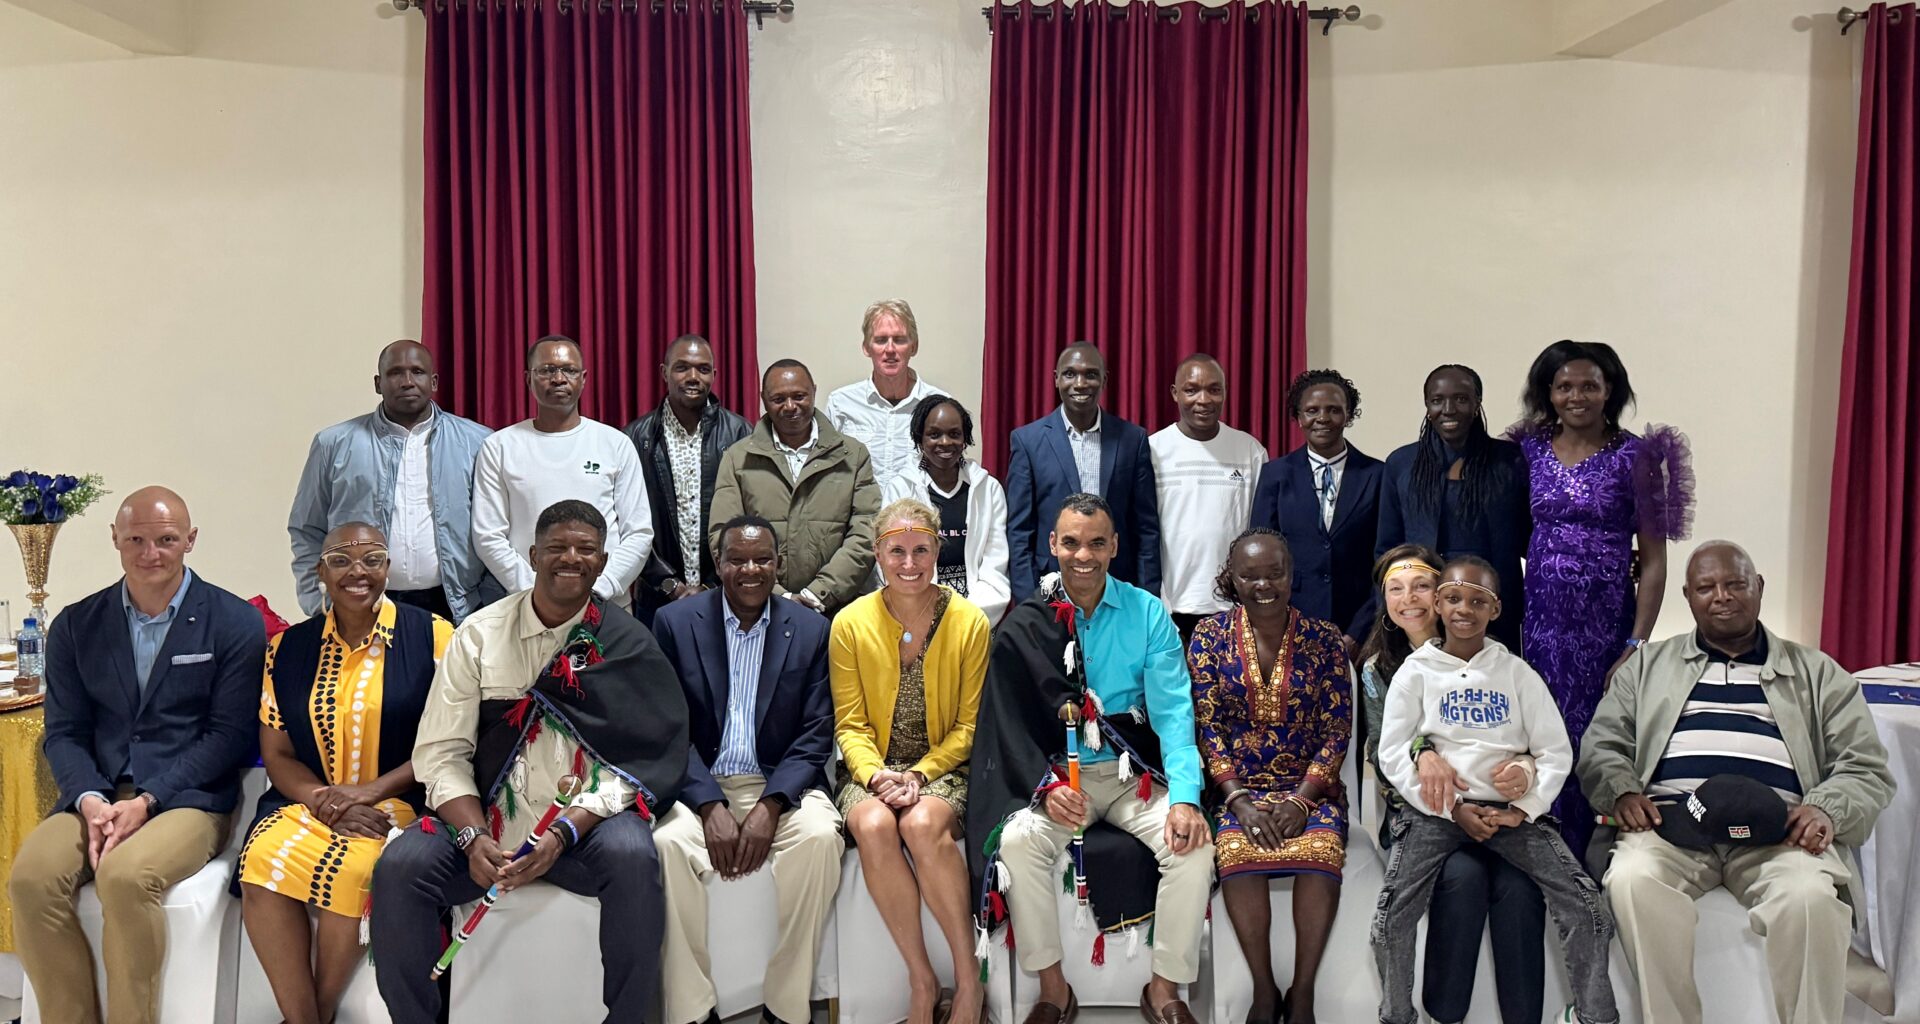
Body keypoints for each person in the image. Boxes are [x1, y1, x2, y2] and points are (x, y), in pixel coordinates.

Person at [371, 500, 691, 1024]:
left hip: (578, 832)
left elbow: (640, 759)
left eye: (586, 549)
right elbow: (441, 754)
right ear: (532, 554)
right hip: (486, 833)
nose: (571, 558)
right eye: (558, 547)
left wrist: (568, 830)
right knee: (402, 867)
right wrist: (473, 838)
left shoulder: (626, 642)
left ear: (604, 561)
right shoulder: (478, 633)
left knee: (634, 855)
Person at [1579, 541, 1894, 1024]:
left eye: (1735, 584)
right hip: (1671, 829)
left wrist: (1827, 808)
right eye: (1706, 587)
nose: (1721, 596)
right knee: (1633, 881)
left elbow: (1865, 765)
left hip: (1780, 835)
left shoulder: (1817, 673)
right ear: (1688, 596)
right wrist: (1621, 789)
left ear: (1759, 587)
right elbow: (1602, 746)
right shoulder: (1645, 668)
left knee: (1810, 899)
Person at [10, 487, 266, 1024]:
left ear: (190, 540)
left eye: (166, 539)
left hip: (187, 799)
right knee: (30, 879)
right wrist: (88, 801)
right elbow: (65, 732)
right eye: (136, 540)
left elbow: (225, 735)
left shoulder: (234, 621)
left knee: (125, 878)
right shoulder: (77, 625)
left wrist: (148, 800)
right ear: (116, 541)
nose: (151, 552)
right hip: (98, 793)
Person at [977, 493, 1210, 1024]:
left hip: (1135, 777)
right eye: (1073, 543)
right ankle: (1054, 991)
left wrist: (1187, 799)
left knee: (1192, 848)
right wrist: (1047, 785)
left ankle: (1165, 989)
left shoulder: (1147, 612)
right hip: (1061, 777)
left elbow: (1174, 713)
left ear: (1115, 547)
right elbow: (1008, 720)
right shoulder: (1029, 622)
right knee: (1016, 842)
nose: (1084, 555)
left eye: (1097, 543)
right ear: (1053, 545)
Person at [1372, 557, 1618, 1024]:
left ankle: (1595, 1016)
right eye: (1454, 598)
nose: (1465, 609)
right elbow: (1392, 755)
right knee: (1391, 919)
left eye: (1478, 601)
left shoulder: (1517, 674)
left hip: (1510, 815)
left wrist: (1524, 806)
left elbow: (1555, 752)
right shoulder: (1415, 673)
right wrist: (1453, 809)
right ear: (1439, 604)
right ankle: (1397, 1016)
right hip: (1437, 815)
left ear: (1496, 609)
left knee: (1587, 907)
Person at [237, 522, 453, 1024]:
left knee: (358, 870)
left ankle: (320, 1012)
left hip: (398, 800)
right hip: (307, 801)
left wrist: (369, 792)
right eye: (341, 560)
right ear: (320, 571)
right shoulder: (287, 648)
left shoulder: (434, 636)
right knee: (260, 866)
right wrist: (322, 800)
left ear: (388, 567)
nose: (358, 572)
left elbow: (449, 741)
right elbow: (278, 751)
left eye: (372, 559)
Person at [653, 516, 842, 1024]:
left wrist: (770, 806)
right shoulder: (675, 623)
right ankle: (692, 1009)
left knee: (822, 837)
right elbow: (668, 728)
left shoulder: (810, 628)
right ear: (719, 564)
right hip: (699, 782)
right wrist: (709, 804)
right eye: (738, 559)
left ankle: (785, 1004)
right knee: (667, 845)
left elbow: (816, 733)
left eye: (762, 559)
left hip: (779, 783)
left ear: (778, 564)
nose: (751, 569)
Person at [1511, 340, 1693, 855]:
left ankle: (1591, 855)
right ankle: (1543, 848)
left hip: (1604, 626)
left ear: (1609, 390)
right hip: (1540, 623)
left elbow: (1654, 559)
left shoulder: (1637, 457)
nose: (1577, 396)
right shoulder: (1528, 449)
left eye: (1589, 385)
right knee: (1541, 731)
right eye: (1564, 385)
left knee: (1594, 735)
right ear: (1548, 391)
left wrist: (1635, 645)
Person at [1355, 546, 1547, 1024]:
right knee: (1464, 876)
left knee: (1520, 885)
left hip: (1498, 805)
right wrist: (1427, 757)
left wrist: (1519, 774)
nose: (1410, 599)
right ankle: (1445, 1012)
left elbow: (1521, 738)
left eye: (1422, 585)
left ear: (1442, 596)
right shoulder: (1379, 668)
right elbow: (1386, 755)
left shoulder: (1489, 653)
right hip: (1419, 812)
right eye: (1395, 590)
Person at [830, 498, 991, 1024]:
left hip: (944, 769)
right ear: (878, 554)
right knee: (874, 824)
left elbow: (970, 726)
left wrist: (920, 774)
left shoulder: (969, 622)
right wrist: (877, 774)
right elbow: (850, 725)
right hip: (871, 769)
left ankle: (969, 983)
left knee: (922, 823)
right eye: (896, 550)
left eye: (921, 549)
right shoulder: (850, 623)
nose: (909, 563)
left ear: (937, 550)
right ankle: (922, 980)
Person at [1189, 529, 1350, 1024]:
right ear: (1232, 579)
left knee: (1321, 853)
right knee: (1236, 851)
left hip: (1311, 790)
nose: (1264, 584)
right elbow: (1206, 725)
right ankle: (1264, 989)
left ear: (1291, 573)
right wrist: (1237, 801)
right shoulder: (1208, 637)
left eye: (1274, 573)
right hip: (1238, 792)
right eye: (1250, 575)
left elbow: (1337, 727)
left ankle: (1302, 993)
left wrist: (1302, 800)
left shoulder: (1324, 638)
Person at [289, 340, 497, 623]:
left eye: (418, 372)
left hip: (457, 608)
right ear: (378, 383)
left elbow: (496, 529)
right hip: (364, 606)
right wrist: (320, 600)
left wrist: (488, 604)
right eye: (396, 373)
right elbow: (307, 528)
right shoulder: (333, 444)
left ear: (434, 381)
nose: (407, 382)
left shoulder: (479, 442)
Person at [472, 334, 654, 609]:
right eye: (546, 370)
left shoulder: (615, 443)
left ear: (583, 378)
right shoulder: (499, 446)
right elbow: (488, 535)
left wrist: (602, 589)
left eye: (568, 370)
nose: (558, 378)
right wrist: (534, 591)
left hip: (606, 604)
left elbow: (639, 532)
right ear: (528, 378)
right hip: (527, 604)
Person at [709, 359, 881, 616]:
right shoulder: (738, 458)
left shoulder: (852, 455)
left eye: (799, 396)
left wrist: (818, 593)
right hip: (758, 609)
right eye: (778, 399)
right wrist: (780, 597)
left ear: (813, 391)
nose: (790, 407)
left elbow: (867, 533)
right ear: (763, 400)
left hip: (837, 609)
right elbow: (723, 538)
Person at [1376, 364, 1530, 649]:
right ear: (1427, 405)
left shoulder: (1509, 462)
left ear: (1476, 403)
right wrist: (1389, 606)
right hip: (1423, 607)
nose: (1448, 409)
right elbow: (1387, 547)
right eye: (1437, 400)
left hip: (1492, 604)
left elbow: (1529, 539)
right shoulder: (1402, 464)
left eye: (1460, 399)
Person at [1006, 341, 1161, 602]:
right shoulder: (1028, 441)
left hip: (1117, 586)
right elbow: (1019, 531)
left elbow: (1146, 528)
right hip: (1051, 589)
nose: (1080, 383)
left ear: (1104, 380)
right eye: (1070, 374)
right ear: (1056, 380)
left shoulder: (1132, 440)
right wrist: (1028, 601)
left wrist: (1147, 599)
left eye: (1090, 374)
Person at [623, 334, 753, 624]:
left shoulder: (741, 434)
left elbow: (750, 515)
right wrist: (669, 584)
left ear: (714, 375)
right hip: (657, 599)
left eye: (703, 369)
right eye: (682, 367)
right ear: (664, 372)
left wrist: (711, 584)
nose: (693, 377)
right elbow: (626, 522)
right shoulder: (635, 439)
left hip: (727, 596)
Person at [1251, 368, 1383, 651]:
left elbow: (1385, 561)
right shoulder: (1275, 475)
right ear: (1298, 417)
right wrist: (1283, 624)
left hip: (1357, 629)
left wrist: (1357, 634)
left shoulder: (1378, 475)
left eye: (1334, 410)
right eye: (1312, 410)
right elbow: (1263, 559)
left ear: (1349, 415)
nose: (1322, 418)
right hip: (1290, 627)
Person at [1149, 355, 1267, 645]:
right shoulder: (1153, 450)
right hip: (1169, 609)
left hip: (1234, 608)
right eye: (1191, 390)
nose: (1203, 399)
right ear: (1175, 393)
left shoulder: (1249, 451)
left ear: (1225, 392)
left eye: (1214, 389)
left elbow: (1262, 533)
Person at [880, 394, 1012, 625]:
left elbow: (995, 564)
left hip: (977, 613)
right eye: (934, 434)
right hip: (914, 613)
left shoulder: (988, 489)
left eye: (954, 434)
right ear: (919, 438)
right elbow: (893, 560)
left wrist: (966, 618)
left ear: (965, 439)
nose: (944, 442)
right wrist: (924, 614)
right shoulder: (900, 489)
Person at [825, 299, 949, 491]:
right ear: (866, 347)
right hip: (860, 518)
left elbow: (949, 472)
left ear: (913, 347)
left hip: (918, 518)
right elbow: (829, 473)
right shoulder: (841, 403)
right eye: (881, 340)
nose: (890, 350)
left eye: (899, 340)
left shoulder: (938, 405)